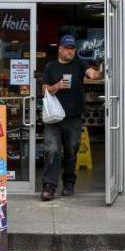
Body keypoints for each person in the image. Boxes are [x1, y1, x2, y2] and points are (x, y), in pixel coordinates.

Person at [41, 34, 103, 201]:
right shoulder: (50, 67)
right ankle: (49, 186)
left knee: (71, 151)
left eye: (73, 48)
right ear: (60, 49)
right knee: (52, 150)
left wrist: (98, 72)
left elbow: (92, 73)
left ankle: (69, 184)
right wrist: (57, 86)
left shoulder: (79, 64)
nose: (71, 51)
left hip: (74, 116)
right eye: (67, 48)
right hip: (53, 118)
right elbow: (44, 90)